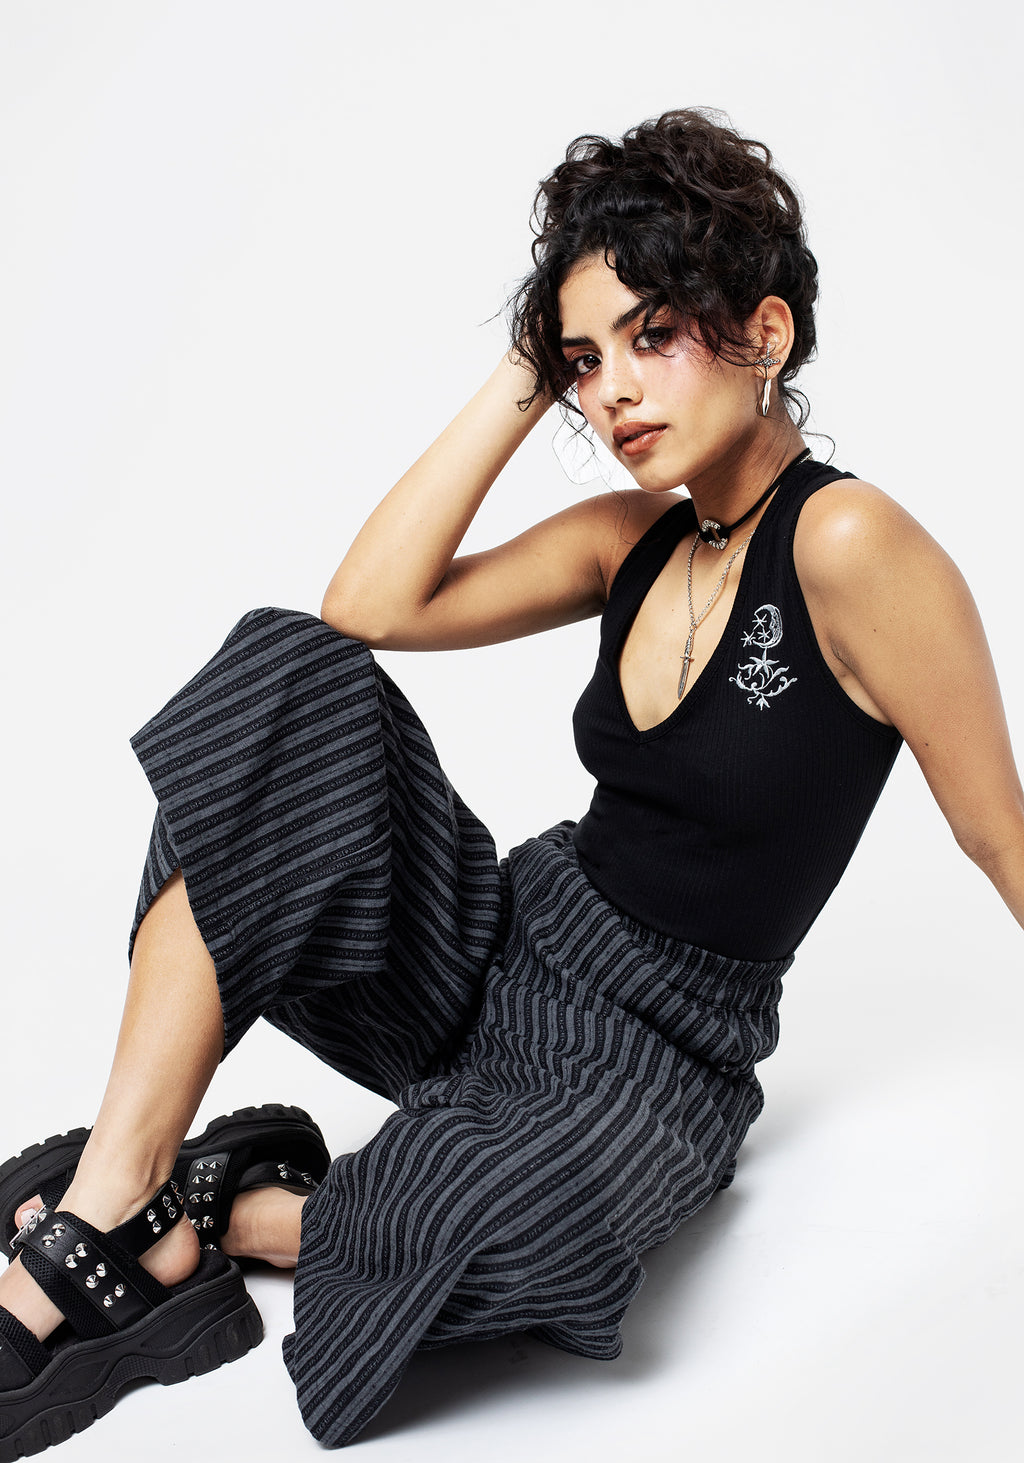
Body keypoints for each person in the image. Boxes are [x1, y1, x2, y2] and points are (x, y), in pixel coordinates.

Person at [0, 108, 1021, 1459]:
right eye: (588, 361)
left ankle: (231, 1211)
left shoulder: (850, 542)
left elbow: (1001, 837)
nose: (614, 394)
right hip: (505, 944)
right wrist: (526, 369)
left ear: (766, 334)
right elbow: (368, 606)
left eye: (654, 336)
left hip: (653, 1056)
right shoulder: (630, 541)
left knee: (544, 1238)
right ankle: (114, 1196)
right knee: (289, 675)